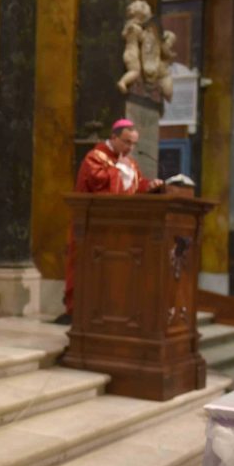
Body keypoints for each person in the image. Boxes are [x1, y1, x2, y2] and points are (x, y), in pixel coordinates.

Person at [56, 119, 163, 325]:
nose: (130, 148)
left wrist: (150, 186)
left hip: (119, 228)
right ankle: (77, 310)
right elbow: (100, 184)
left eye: (133, 144)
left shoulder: (129, 162)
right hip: (91, 227)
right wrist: (119, 170)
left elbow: (134, 187)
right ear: (114, 137)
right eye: (126, 142)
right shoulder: (95, 157)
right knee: (85, 267)